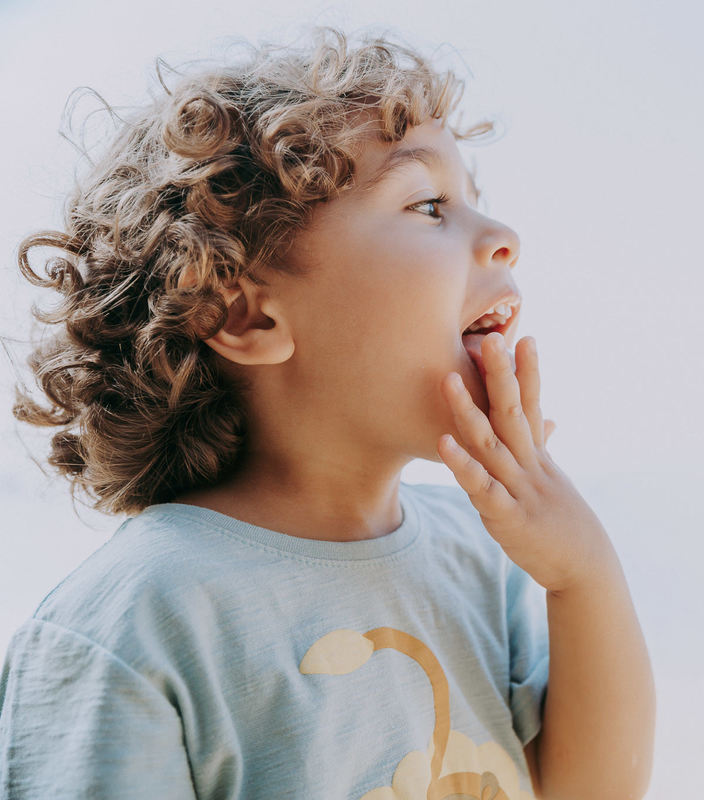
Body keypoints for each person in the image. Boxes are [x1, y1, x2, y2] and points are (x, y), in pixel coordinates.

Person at [0, 26, 654, 800]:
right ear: (245, 318)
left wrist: (583, 575)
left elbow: (587, 790)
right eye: (429, 205)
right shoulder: (138, 619)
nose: (505, 240)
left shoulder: (484, 561)